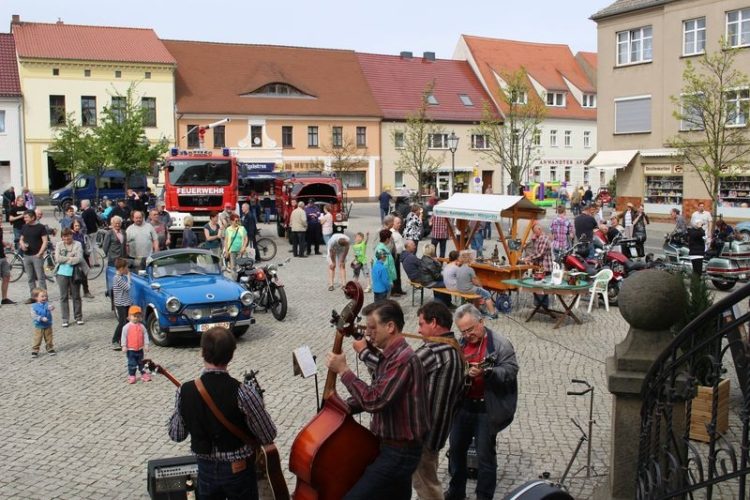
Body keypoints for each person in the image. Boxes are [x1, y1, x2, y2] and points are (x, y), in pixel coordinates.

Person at [325, 300, 429, 499]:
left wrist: (344, 371)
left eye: (372, 328)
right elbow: (380, 391)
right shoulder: (390, 357)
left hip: (399, 452)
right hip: (392, 448)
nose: (367, 333)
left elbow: (375, 400)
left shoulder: (403, 359)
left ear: (390, 327)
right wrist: (341, 407)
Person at [169, 326, 277, 499]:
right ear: (231, 355)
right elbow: (268, 434)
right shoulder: (244, 392)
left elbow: (176, 434)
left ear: (202, 352)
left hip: (205, 470)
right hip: (238, 471)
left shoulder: (184, 391)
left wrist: (185, 407)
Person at [445, 304, 519, 500]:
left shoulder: (500, 344)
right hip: (463, 407)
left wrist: (488, 372)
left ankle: (484, 497)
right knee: (456, 452)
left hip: (487, 407)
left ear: (481, 322)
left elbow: (511, 372)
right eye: (464, 331)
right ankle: (456, 493)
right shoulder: (459, 345)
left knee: (485, 458)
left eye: (471, 329)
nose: (468, 334)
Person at [412, 301, 465, 499]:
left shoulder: (434, 351)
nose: (418, 330)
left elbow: (394, 378)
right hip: (438, 432)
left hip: (424, 434)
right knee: (426, 482)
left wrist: (367, 353)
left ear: (434, 323)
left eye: (421, 324)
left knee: (427, 487)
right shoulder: (455, 348)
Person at [401, 240, 452, 307]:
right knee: (445, 283)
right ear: (408, 246)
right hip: (421, 279)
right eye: (413, 245)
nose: (415, 246)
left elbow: (424, 266)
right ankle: (442, 304)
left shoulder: (406, 256)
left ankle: (444, 303)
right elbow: (428, 268)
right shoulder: (411, 257)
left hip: (415, 277)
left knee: (440, 281)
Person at [454, 250, 498, 319]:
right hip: (468, 289)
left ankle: (477, 311)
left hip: (460, 288)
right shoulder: (470, 269)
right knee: (487, 294)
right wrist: (481, 287)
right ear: (469, 259)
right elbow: (476, 282)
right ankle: (493, 314)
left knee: (477, 293)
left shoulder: (459, 268)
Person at [55, 228, 85, 327]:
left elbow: (79, 258)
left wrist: (66, 259)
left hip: (74, 273)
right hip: (62, 273)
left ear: (72, 235)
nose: (67, 238)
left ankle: (78, 317)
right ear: (62, 237)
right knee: (63, 297)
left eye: (69, 235)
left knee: (76, 296)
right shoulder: (59, 244)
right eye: (64, 236)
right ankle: (65, 318)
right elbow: (58, 259)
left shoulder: (78, 244)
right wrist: (70, 257)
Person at [19, 209, 49, 302]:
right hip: (27, 255)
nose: (25, 219)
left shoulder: (41, 227)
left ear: (33, 217)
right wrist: (22, 244)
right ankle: (33, 297)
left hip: (37, 255)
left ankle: (44, 296)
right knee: (30, 278)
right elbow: (21, 239)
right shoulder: (24, 227)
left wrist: (40, 253)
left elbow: (45, 241)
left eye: (26, 217)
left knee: (40, 277)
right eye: (24, 217)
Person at [523, 223, 554, 309]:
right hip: (539, 266)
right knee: (537, 286)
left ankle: (542, 305)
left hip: (545, 266)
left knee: (542, 286)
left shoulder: (544, 238)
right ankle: (539, 304)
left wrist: (528, 258)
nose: (534, 233)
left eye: (535, 231)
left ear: (540, 230)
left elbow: (540, 254)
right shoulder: (538, 238)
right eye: (533, 232)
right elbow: (535, 251)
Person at [120, 305, 150, 384]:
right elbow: (123, 337)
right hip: (131, 350)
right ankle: (132, 375)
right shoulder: (126, 327)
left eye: (138, 316)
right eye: (134, 316)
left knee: (141, 363)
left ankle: (143, 374)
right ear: (129, 316)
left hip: (140, 349)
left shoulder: (142, 326)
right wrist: (123, 346)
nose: (136, 318)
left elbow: (145, 335)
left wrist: (146, 344)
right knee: (132, 363)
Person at [111, 258, 132, 350]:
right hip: (121, 304)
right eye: (126, 268)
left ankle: (123, 340)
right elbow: (128, 287)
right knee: (122, 322)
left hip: (125, 302)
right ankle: (115, 340)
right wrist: (129, 277)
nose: (127, 269)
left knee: (127, 322)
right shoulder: (117, 278)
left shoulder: (120, 277)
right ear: (121, 269)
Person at [71, 220, 94, 299]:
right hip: (74, 258)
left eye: (78, 226)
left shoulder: (81, 235)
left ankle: (86, 291)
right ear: (72, 226)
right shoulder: (71, 235)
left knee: (84, 275)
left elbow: (84, 245)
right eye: (75, 226)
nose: (77, 227)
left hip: (83, 257)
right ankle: (71, 293)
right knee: (74, 275)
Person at [30, 287, 55, 357]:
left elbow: (50, 307)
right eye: (42, 296)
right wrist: (40, 318)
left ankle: (50, 348)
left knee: (49, 337)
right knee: (38, 338)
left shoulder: (46, 304)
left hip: (48, 324)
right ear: (36, 297)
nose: (44, 298)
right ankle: (35, 350)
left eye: (45, 296)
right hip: (39, 325)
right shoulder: (34, 306)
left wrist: (52, 307)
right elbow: (34, 315)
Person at [224, 213, 248, 280]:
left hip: (241, 251)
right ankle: (235, 280)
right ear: (231, 221)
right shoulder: (228, 230)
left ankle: (243, 279)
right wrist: (226, 251)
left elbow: (246, 238)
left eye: (238, 220)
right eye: (236, 221)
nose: (237, 222)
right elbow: (225, 241)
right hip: (232, 251)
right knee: (233, 267)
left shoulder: (242, 228)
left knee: (243, 266)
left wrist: (244, 247)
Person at [386, 215, 406, 296]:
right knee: (393, 273)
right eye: (398, 223)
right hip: (393, 255)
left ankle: (399, 289)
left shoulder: (397, 232)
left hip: (399, 255)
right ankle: (393, 291)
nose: (399, 224)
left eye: (400, 223)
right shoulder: (391, 233)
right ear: (393, 223)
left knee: (398, 273)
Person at [375, 228, 396, 295]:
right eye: (390, 238)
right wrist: (389, 281)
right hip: (385, 281)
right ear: (387, 239)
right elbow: (385, 266)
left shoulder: (380, 247)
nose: (391, 239)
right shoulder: (382, 249)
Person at [0, 222, 15, 305]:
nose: (0, 220)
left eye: (1, 218)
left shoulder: (0, 228)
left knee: (6, 276)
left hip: (2, 256)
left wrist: (5, 244)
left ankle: (4, 298)